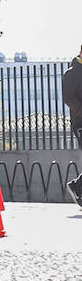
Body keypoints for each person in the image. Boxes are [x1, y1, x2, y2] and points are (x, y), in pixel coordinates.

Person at [64, 43, 82, 207]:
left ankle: (78, 186)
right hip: (80, 122)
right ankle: (77, 186)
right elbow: (69, 98)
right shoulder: (71, 74)